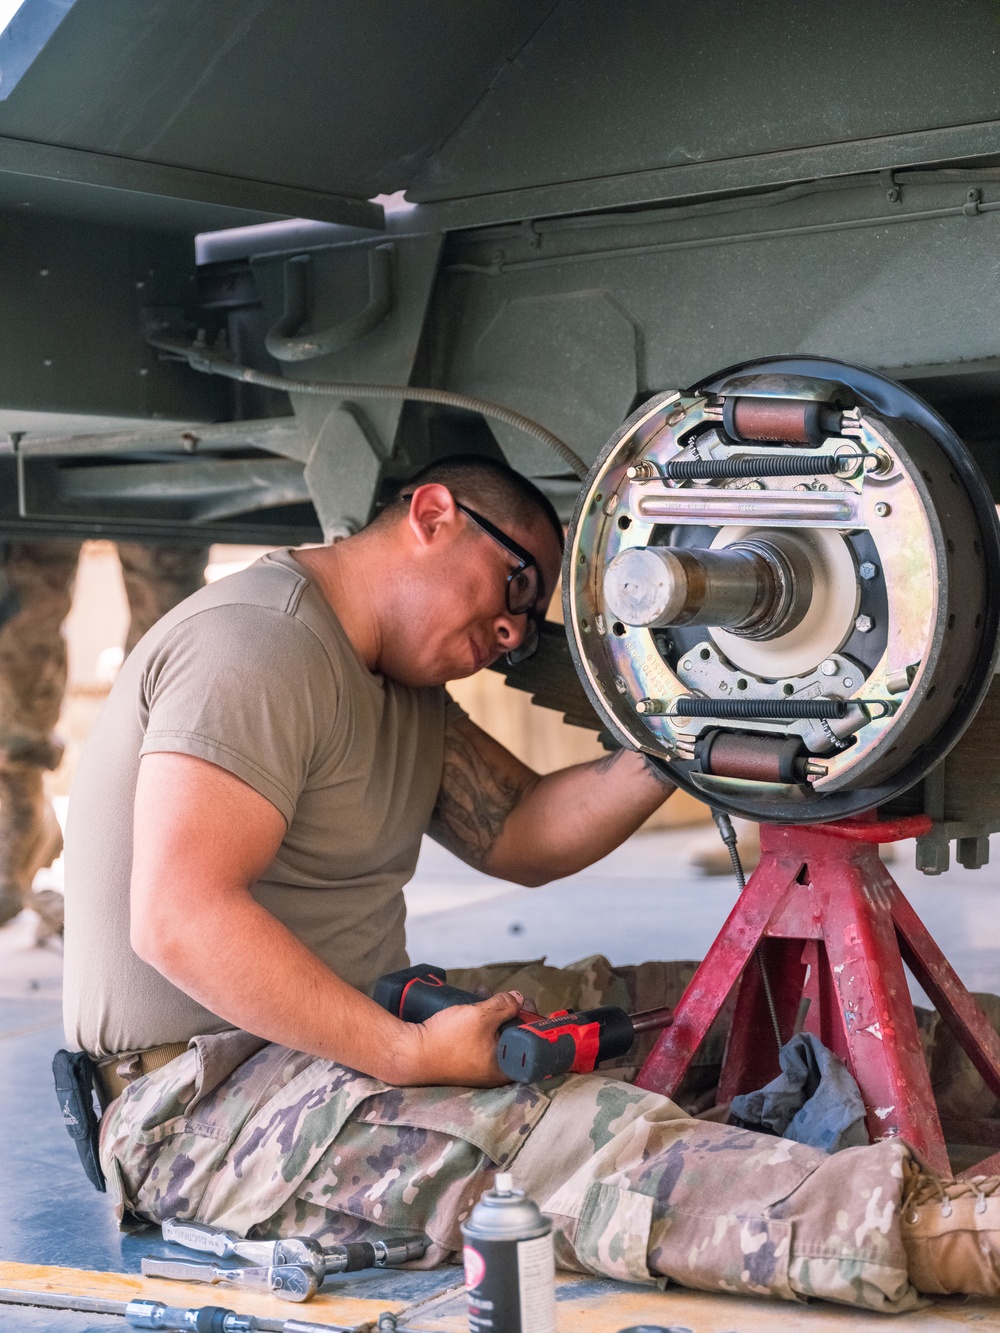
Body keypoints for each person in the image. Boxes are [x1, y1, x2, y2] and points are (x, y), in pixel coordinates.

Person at [62, 455, 1000, 1314]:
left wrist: (687, 734)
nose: (514, 630)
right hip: (197, 1105)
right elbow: (179, 916)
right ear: (433, 514)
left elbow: (517, 831)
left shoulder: (396, 682)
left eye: (527, 612)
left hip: (336, 1038)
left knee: (731, 999)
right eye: (514, 585)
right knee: (574, 1138)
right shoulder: (257, 645)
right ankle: (948, 1234)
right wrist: (406, 1052)